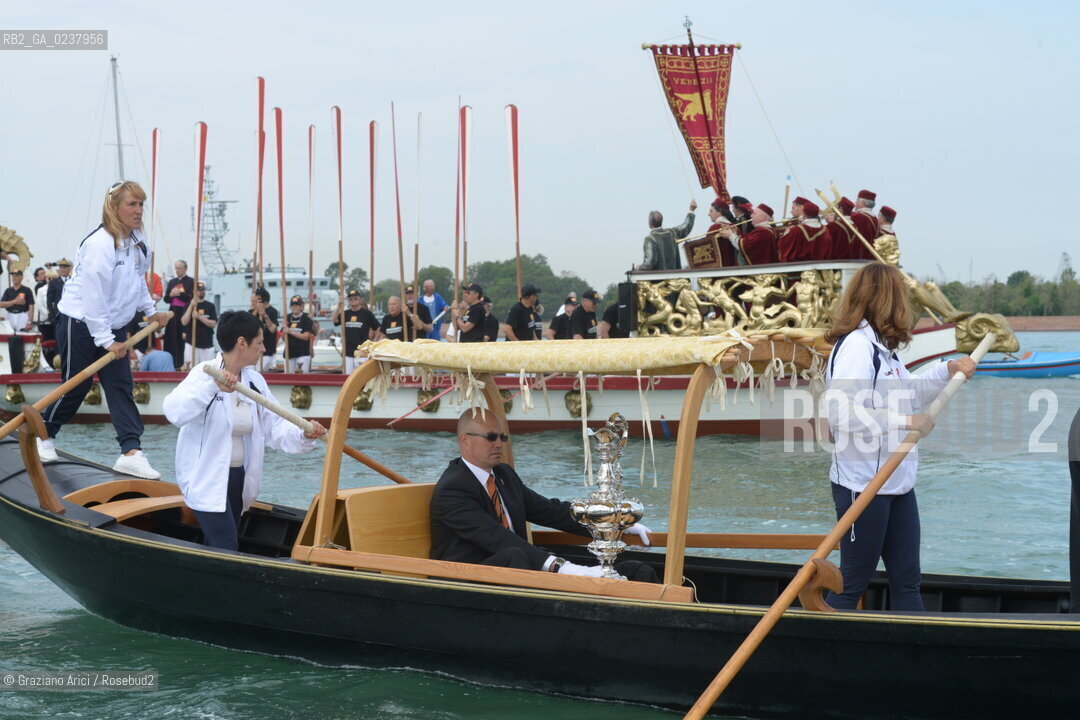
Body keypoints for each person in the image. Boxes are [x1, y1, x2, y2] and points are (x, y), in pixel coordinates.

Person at [822, 262, 974, 611]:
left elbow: (913, 392)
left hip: (897, 482)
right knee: (852, 584)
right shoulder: (857, 348)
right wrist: (906, 421)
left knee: (908, 583)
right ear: (888, 300)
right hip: (864, 484)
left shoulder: (883, 350)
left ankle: (919, 658)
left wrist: (947, 369)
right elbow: (840, 413)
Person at [38, 180, 171, 477]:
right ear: (114, 208)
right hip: (80, 322)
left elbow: (137, 282)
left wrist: (151, 312)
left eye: (141, 204)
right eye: (132, 205)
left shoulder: (138, 242)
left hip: (113, 326)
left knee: (121, 385)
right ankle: (43, 433)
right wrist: (106, 339)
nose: (138, 211)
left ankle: (130, 451)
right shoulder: (100, 245)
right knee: (77, 383)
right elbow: (93, 295)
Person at [162, 310, 326, 550]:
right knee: (225, 544)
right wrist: (211, 388)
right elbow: (173, 411)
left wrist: (303, 434)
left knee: (217, 545)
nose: (263, 349)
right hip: (206, 478)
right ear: (241, 343)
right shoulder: (204, 373)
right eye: (259, 343)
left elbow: (275, 426)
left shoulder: (255, 381)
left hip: (238, 478)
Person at [429, 408, 655, 581]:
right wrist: (565, 568)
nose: (498, 443)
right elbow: (497, 538)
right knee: (515, 555)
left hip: (519, 570)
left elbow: (549, 510)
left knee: (637, 571)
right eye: (490, 437)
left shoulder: (503, 474)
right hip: (468, 582)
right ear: (465, 440)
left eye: (502, 438)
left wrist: (612, 524)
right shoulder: (453, 489)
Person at [636, 200, 696, 271]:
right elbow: (686, 226)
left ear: (649, 225)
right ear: (661, 221)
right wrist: (691, 210)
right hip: (675, 280)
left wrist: (639, 267)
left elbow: (649, 264)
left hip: (659, 281)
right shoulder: (672, 232)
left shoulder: (650, 239)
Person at [332, 289, 380, 373]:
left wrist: (374, 341)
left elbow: (378, 328)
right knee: (347, 378)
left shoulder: (367, 314)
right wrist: (339, 305)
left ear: (360, 299)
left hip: (362, 352)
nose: (353, 301)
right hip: (348, 352)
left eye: (355, 298)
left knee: (362, 377)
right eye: (350, 299)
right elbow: (334, 320)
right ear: (348, 301)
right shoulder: (345, 314)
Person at [163, 260, 195, 369]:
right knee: (171, 338)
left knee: (183, 339)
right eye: (176, 268)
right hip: (173, 313)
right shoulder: (172, 282)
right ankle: (171, 364)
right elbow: (166, 299)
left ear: (185, 269)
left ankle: (182, 364)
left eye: (179, 268)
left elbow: (191, 297)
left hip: (184, 312)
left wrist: (180, 294)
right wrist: (171, 294)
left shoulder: (191, 281)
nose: (177, 271)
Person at [180, 281, 218, 368]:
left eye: (203, 290)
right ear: (194, 291)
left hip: (207, 344)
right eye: (199, 290)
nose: (202, 292)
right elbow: (184, 322)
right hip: (192, 344)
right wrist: (190, 306)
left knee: (209, 371)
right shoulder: (188, 305)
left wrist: (199, 317)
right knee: (191, 369)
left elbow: (213, 324)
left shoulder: (210, 306)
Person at [249, 287, 279, 371]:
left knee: (259, 374)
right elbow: (248, 324)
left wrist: (264, 315)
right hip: (253, 351)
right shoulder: (251, 312)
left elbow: (273, 329)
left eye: (257, 300)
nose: (253, 303)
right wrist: (256, 311)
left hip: (267, 351)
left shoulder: (272, 311)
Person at [283, 295, 315, 373]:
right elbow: (283, 337)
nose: (294, 307)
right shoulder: (287, 318)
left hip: (302, 353)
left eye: (296, 305)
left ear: (301, 306)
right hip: (289, 353)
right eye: (293, 305)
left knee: (302, 378)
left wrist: (291, 331)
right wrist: (284, 329)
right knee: (288, 378)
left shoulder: (306, 319)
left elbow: (306, 337)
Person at [706, 198, 739, 267]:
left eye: (711, 211)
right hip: (735, 268)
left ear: (719, 212)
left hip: (719, 270)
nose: (708, 214)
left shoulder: (714, 228)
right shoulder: (735, 227)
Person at [850, 190, 880, 260]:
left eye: (857, 200)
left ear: (862, 202)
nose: (855, 203)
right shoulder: (875, 219)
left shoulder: (859, 217)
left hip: (859, 259)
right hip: (871, 258)